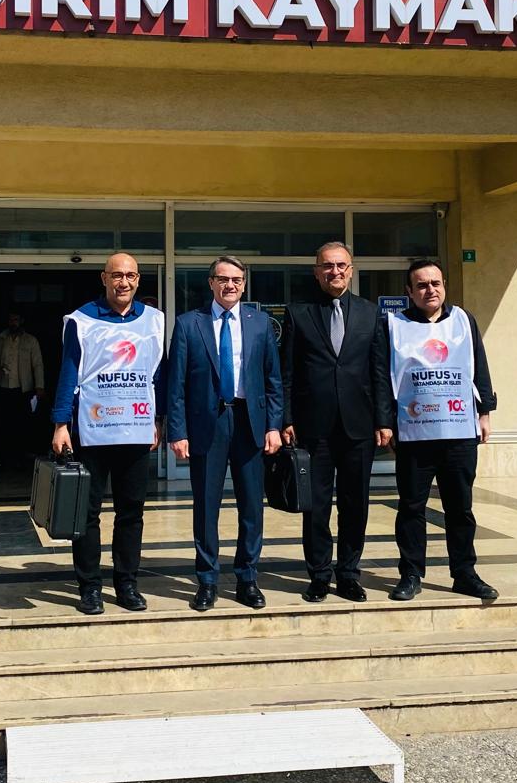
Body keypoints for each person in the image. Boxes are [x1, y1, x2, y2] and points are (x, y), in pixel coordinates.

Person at [51, 253, 165, 616]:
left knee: (131, 512)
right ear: (104, 278)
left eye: (130, 275)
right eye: (117, 275)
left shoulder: (154, 320)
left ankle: (127, 583)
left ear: (138, 279)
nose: (124, 282)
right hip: (92, 431)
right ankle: (90, 587)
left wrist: (159, 420)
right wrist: (60, 423)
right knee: (86, 514)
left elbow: (158, 375)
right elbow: (69, 371)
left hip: (136, 430)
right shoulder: (82, 320)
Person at [167, 254, 283, 611]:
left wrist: (274, 425)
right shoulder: (189, 324)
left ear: (244, 285)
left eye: (236, 280)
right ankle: (207, 580)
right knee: (206, 506)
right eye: (222, 279)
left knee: (252, 505)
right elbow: (176, 384)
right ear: (211, 283)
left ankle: (248, 578)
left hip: (250, 423)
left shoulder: (260, 323)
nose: (229, 285)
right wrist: (177, 431)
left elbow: (273, 380)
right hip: (208, 424)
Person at [281, 242, 393, 602]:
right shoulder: (298, 313)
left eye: (341, 265)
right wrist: (286, 418)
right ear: (317, 272)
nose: (335, 272)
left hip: (359, 426)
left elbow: (379, 371)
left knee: (354, 504)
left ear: (351, 270)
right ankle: (318, 575)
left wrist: (384, 419)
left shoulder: (370, 313)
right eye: (327, 266)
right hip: (313, 427)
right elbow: (287, 373)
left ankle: (348, 574)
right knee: (315, 506)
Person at [386, 258, 498, 603]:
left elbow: (479, 366)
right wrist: (386, 422)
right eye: (421, 285)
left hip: (458, 431)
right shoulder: (394, 325)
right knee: (411, 508)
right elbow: (383, 377)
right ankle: (411, 574)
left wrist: (485, 411)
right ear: (409, 291)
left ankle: (465, 573)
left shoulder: (463, 320)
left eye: (435, 283)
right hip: (415, 433)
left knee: (460, 508)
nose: (430, 290)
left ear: (444, 285)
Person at [0, 309, 44, 471]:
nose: (13, 323)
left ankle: (21, 458)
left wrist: (40, 386)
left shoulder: (30, 341)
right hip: (4, 386)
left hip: (23, 388)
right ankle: (2, 458)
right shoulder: (1, 339)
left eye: (15, 319)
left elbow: (37, 364)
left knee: (22, 424)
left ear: (21, 321)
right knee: (3, 424)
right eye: (10, 320)